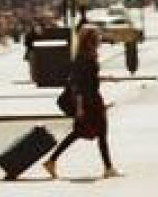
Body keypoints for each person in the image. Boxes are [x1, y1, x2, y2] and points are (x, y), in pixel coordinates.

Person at [42, 26, 119, 180]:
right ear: (90, 40)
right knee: (99, 132)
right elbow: (78, 85)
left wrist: (105, 78)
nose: (100, 39)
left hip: (92, 99)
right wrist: (79, 107)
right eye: (97, 36)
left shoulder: (87, 56)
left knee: (80, 133)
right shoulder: (83, 59)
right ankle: (108, 168)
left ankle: (51, 161)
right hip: (89, 101)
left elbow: (89, 79)